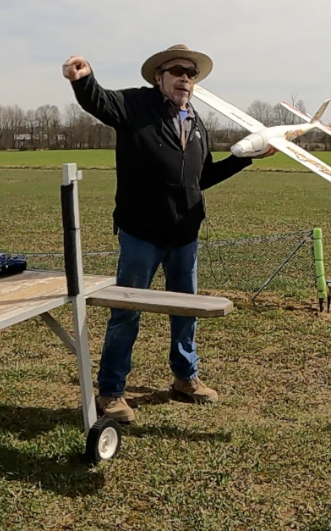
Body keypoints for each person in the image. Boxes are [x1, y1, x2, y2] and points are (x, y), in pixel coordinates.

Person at [62, 44, 273, 424]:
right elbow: (100, 102)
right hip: (141, 233)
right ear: (160, 77)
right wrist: (84, 79)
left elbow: (202, 177)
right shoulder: (135, 106)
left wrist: (245, 159)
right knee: (126, 312)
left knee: (185, 311)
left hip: (185, 236)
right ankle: (111, 392)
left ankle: (185, 378)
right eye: (177, 70)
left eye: (191, 74)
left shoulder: (197, 124)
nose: (185, 78)